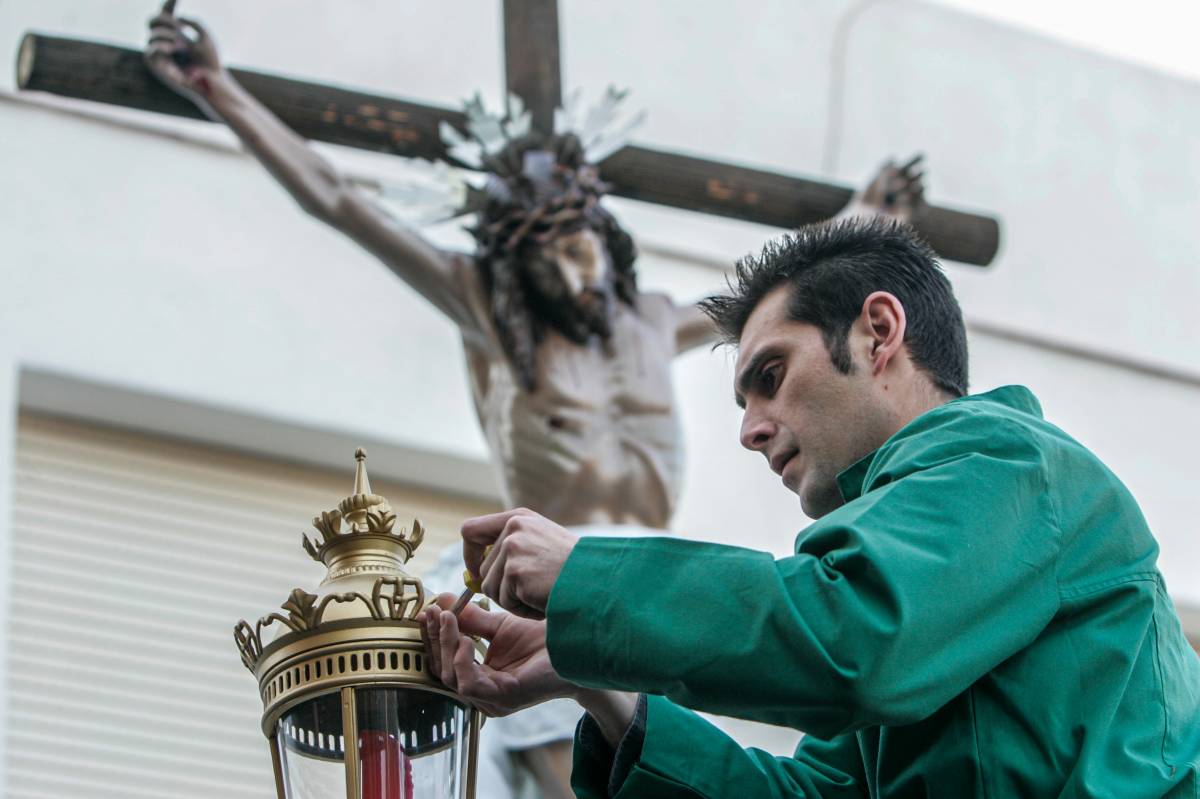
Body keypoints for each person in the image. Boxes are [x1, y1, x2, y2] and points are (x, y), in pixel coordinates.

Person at [143, 5, 926, 795]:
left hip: (643, 573)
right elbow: (340, 201)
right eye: (544, 249)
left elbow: (777, 286)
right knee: (573, 758)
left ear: (604, 232)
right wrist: (220, 89)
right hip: (550, 572)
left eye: (578, 237)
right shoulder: (490, 314)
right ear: (516, 254)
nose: (570, 265)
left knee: (661, 759)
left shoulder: (653, 322)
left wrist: (869, 214)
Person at [423, 218, 1200, 796]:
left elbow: (854, 638)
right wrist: (589, 674)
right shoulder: (897, 568)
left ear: (878, 333)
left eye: (770, 373)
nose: (750, 429)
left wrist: (587, 580)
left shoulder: (1013, 466)